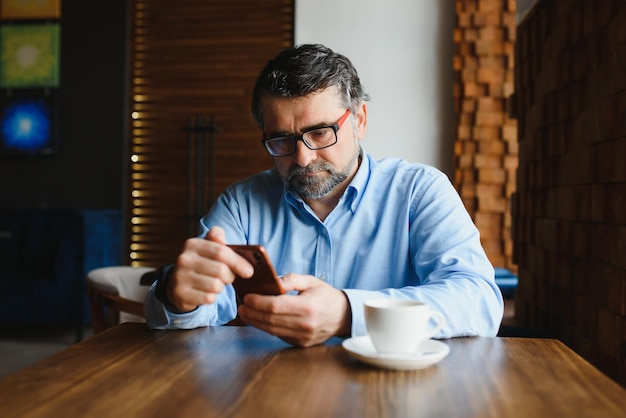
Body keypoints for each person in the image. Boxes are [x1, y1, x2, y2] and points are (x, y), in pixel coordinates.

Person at [144, 43, 504, 347]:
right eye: (281, 139)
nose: (302, 157)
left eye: (320, 132)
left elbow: (478, 300)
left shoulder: (419, 191)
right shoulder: (241, 204)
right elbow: (203, 307)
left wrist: (349, 313)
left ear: (360, 120)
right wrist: (179, 297)